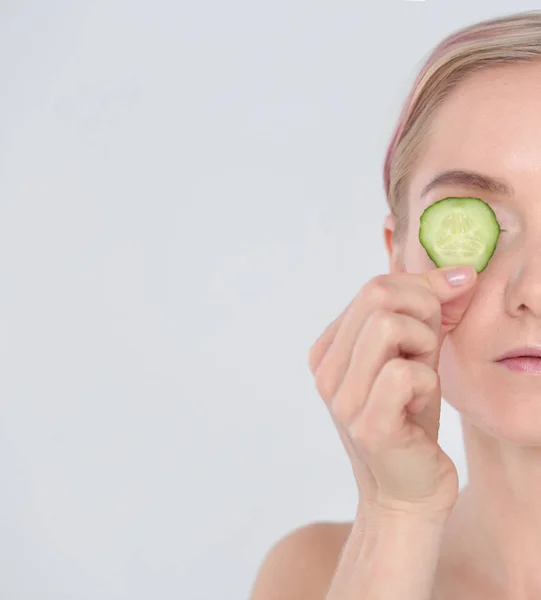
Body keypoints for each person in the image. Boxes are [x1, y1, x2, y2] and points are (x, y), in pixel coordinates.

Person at [248, 9, 541, 600]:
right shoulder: (312, 575)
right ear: (400, 261)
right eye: (475, 223)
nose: (533, 291)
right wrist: (396, 515)